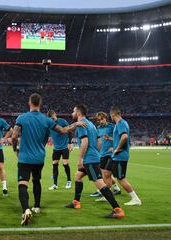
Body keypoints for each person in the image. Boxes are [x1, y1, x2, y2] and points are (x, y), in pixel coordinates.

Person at [11, 93, 86, 226]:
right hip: (39, 158)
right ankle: (37, 206)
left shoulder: (21, 118)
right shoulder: (47, 120)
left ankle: (26, 210)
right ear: (40, 104)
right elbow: (63, 130)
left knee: (23, 184)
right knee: (36, 181)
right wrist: (76, 124)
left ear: (29, 103)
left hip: (24, 157)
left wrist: (15, 150)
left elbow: (14, 136)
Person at [65, 105, 125, 219]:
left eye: (73, 111)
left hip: (89, 159)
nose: (72, 113)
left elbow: (85, 142)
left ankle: (117, 209)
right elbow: (99, 142)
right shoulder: (91, 124)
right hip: (94, 156)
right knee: (78, 176)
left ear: (78, 113)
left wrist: (80, 158)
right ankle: (76, 202)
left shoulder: (82, 124)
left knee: (99, 183)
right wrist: (97, 152)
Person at [107, 106, 142, 206]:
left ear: (113, 114)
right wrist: (111, 140)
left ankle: (135, 199)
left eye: (111, 116)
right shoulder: (119, 124)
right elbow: (119, 138)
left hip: (120, 156)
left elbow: (124, 137)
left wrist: (117, 149)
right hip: (115, 156)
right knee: (106, 172)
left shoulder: (121, 123)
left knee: (121, 179)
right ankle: (106, 194)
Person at [93, 112, 121, 202]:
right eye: (98, 120)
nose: (100, 121)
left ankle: (106, 194)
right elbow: (98, 140)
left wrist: (113, 145)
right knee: (104, 174)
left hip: (111, 154)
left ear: (105, 118)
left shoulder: (113, 127)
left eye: (102, 119)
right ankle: (116, 188)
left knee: (106, 174)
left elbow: (120, 138)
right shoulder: (98, 128)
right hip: (102, 153)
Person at [47, 110, 73, 190]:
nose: (52, 120)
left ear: (55, 115)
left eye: (52, 118)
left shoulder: (62, 121)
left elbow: (70, 130)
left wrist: (69, 143)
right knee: (55, 164)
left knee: (65, 164)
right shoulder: (49, 124)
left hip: (64, 147)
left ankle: (69, 181)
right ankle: (55, 184)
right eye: (50, 119)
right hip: (56, 148)